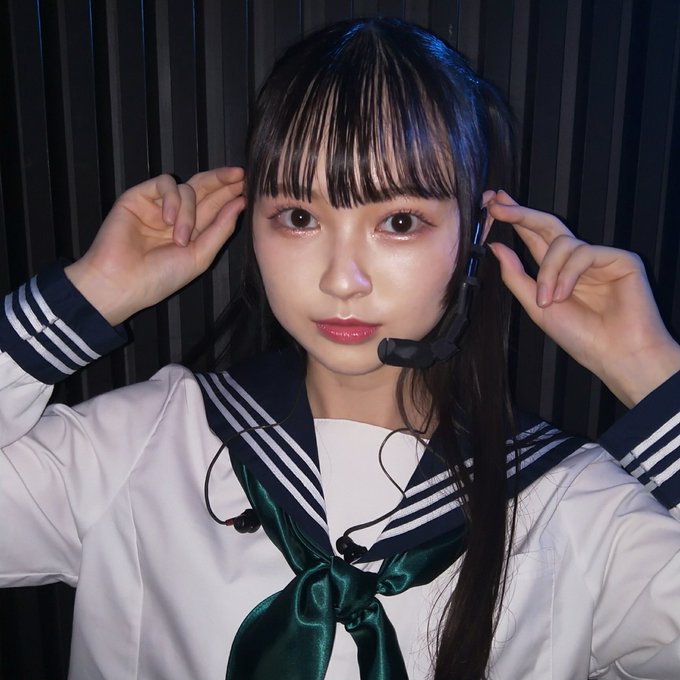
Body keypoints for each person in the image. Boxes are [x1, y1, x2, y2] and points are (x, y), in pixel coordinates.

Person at [1, 16, 679, 680]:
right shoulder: (139, 445)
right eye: (299, 217)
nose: (341, 279)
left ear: (475, 234)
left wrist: (650, 371)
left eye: (400, 221)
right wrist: (86, 295)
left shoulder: (573, 508)